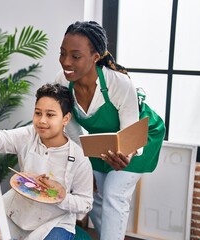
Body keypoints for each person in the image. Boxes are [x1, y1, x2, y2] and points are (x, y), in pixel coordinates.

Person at [55, 21, 165, 240]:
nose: (66, 62)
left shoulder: (119, 84)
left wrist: (126, 155)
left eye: (75, 56)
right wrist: (82, 169)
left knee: (114, 194)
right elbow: (74, 131)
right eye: (62, 53)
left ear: (95, 57)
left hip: (139, 135)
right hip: (102, 142)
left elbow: (130, 132)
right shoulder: (63, 82)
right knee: (92, 192)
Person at [0, 83, 93, 239]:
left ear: (65, 118)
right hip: (17, 210)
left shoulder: (79, 158)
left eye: (50, 115)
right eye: (38, 113)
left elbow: (86, 203)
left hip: (55, 220)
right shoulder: (28, 135)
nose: (42, 120)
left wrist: (58, 196)